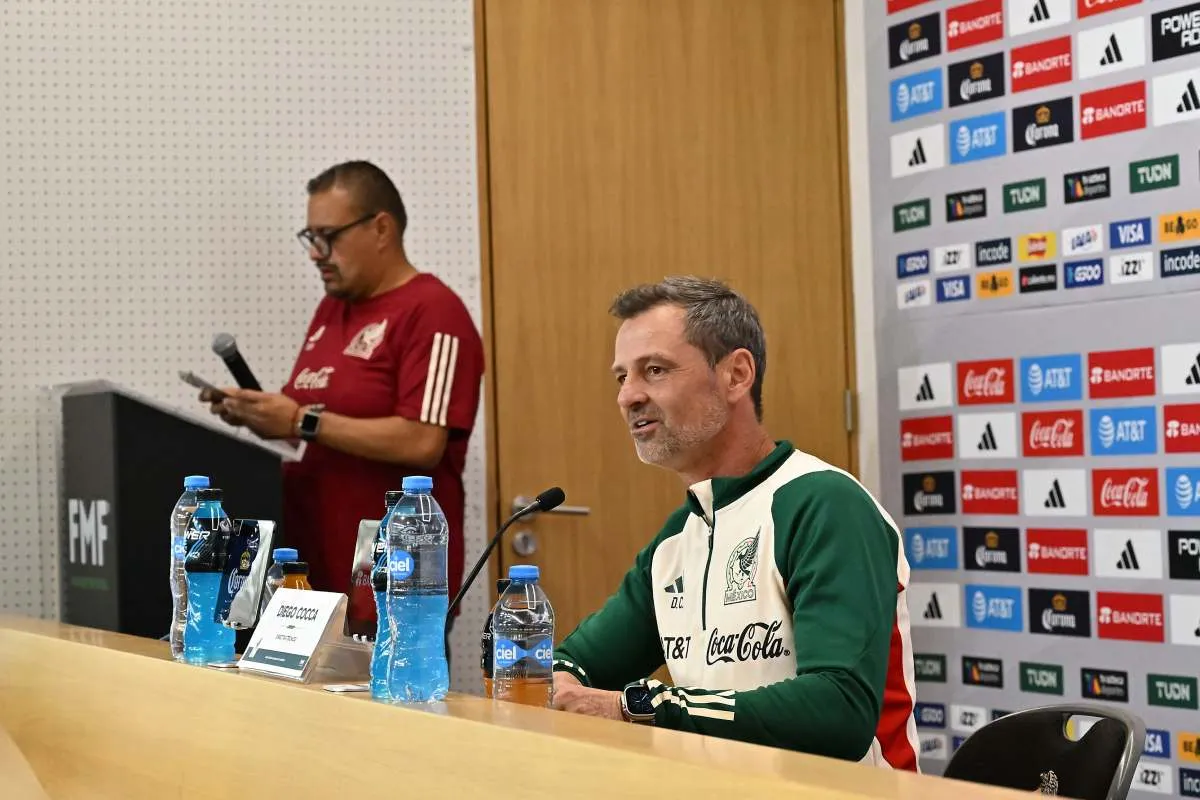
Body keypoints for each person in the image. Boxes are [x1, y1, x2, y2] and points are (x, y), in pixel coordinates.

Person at [549, 277, 919, 771]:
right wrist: (554, 681)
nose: (628, 396)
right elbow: (575, 664)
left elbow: (839, 714)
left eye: (654, 370)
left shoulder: (825, 505)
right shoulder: (680, 535)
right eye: (621, 377)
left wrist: (639, 708)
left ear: (736, 375)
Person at [201, 161, 484, 629]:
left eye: (328, 236)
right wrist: (253, 414)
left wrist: (301, 421)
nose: (316, 254)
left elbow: (422, 442)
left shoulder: (435, 312)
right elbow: (303, 423)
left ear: (380, 228)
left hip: (390, 592)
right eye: (310, 237)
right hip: (309, 586)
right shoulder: (332, 309)